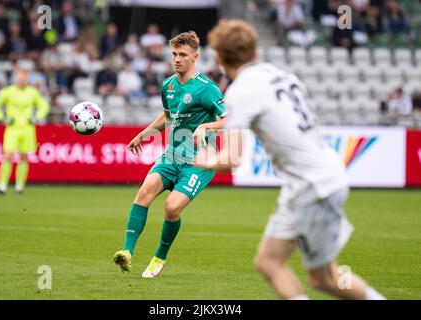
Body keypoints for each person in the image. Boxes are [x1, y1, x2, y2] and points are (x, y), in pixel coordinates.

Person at [195, 19, 385, 300]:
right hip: (317, 178)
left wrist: (204, 158)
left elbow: (231, 159)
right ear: (254, 51)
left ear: (220, 58)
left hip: (313, 186)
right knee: (289, 268)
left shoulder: (241, 90)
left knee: (323, 276)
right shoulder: (283, 75)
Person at [113, 31, 226, 278]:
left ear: (195, 57)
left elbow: (230, 120)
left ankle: (159, 257)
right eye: (174, 54)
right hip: (172, 155)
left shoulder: (207, 89)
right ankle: (127, 252)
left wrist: (205, 126)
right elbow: (168, 117)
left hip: (199, 162)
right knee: (143, 193)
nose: (177, 59)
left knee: (171, 208)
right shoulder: (169, 85)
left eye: (182, 55)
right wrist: (145, 133)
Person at [0, 67, 50, 195]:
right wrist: (2, 117)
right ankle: (2, 186)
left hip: (27, 129)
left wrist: (36, 117)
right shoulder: (8, 91)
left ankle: (19, 187)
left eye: (24, 78)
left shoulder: (32, 92)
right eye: (20, 78)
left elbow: (44, 105)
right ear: (16, 79)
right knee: (8, 155)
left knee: (24, 157)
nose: (22, 80)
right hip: (13, 129)